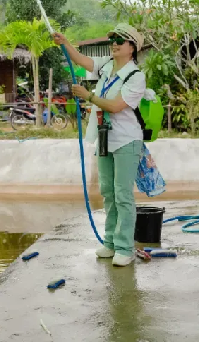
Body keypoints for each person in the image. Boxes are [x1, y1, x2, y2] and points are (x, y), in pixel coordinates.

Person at [52, 23, 146, 267]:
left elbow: (115, 106)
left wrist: (89, 96)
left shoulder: (136, 76)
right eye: (112, 39)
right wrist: (65, 43)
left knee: (123, 194)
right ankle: (111, 243)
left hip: (127, 140)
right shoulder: (106, 65)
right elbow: (82, 60)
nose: (114, 44)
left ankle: (125, 248)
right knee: (108, 192)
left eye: (120, 40)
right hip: (105, 138)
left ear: (132, 48)